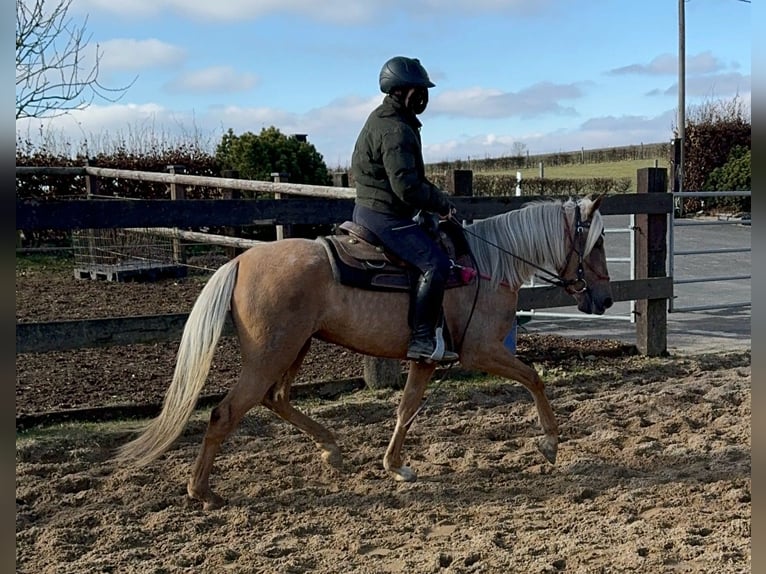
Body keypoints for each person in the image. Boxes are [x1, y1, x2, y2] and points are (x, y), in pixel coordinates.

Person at [351, 56, 458, 363]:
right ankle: (422, 339)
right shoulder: (395, 129)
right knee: (436, 263)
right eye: (420, 90)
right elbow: (406, 186)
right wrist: (440, 203)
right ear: (405, 91)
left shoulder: (387, 119)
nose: (425, 96)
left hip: (376, 209)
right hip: (383, 215)